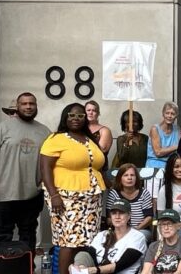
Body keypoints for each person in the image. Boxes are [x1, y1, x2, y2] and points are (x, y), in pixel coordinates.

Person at [40, 103, 108, 273]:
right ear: (65, 117)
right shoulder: (56, 139)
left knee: (85, 241)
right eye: (71, 115)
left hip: (91, 199)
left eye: (80, 116)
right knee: (68, 241)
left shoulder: (89, 139)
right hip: (65, 197)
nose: (76, 119)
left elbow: (97, 165)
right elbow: (45, 168)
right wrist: (54, 195)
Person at [0, 92, 51, 253]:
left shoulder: (44, 131)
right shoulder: (2, 128)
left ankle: (27, 267)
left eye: (31, 104)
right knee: (1, 235)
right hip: (5, 194)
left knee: (28, 234)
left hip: (32, 194)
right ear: (17, 107)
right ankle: (2, 268)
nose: (28, 107)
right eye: (24, 104)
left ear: (36, 106)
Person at [73, 199, 148, 274]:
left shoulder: (137, 236)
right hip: (97, 271)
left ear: (129, 216)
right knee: (82, 255)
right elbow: (89, 255)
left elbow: (121, 264)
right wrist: (79, 268)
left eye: (121, 213)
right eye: (114, 213)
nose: (117, 216)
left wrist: (95, 270)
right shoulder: (102, 235)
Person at [140, 209, 181, 274]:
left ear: (178, 226)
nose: (166, 228)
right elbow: (146, 271)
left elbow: (180, 272)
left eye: (169, 224)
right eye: (162, 224)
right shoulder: (154, 246)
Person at [106, 164, 154, 240]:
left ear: (136, 178)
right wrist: (123, 229)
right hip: (119, 229)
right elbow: (109, 219)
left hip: (140, 230)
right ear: (120, 178)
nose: (129, 178)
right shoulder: (114, 194)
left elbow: (149, 217)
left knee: (136, 238)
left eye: (132, 175)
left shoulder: (144, 193)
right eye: (125, 175)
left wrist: (136, 229)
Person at [147, 101, 181, 169]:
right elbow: (158, 153)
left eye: (172, 114)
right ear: (163, 114)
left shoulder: (177, 129)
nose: (169, 116)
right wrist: (176, 146)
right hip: (154, 166)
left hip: (171, 165)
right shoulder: (155, 129)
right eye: (167, 113)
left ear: (176, 116)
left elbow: (180, 149)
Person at [86, 101, 114, 177]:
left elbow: (102, 150)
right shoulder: (79, 129)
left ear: (98, 113)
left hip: (99, 170)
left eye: (94, 110)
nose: (91, 113)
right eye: (88, 110)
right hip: (81, 170)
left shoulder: (104, 130)